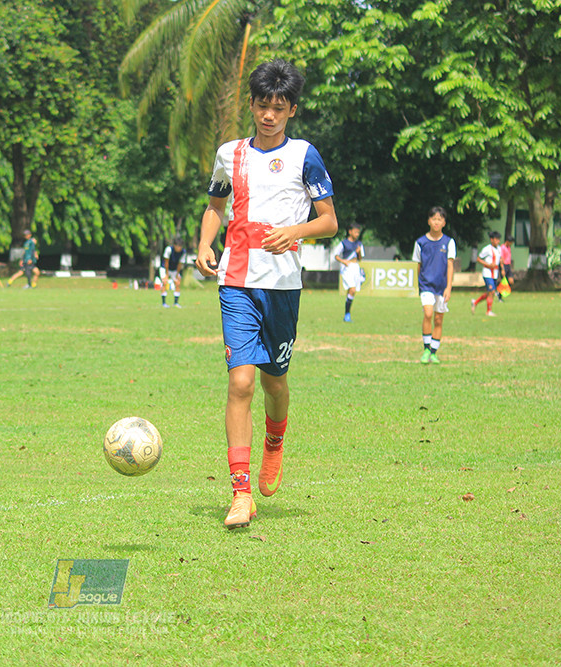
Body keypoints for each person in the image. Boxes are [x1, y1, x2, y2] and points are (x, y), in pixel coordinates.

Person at [194, 59, 338, 530]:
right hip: (235, 280)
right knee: (240, 382)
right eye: (261, 105)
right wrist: (204, 243)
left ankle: (274, 442)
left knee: (275, 382)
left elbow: (329, 221)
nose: (268, 115)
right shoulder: (229, 153)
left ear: (291, 109)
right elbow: (216, 205)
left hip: (282, 287)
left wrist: (292, 231)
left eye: (278, 107)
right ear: (252, 105)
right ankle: (240, 492)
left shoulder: (304, 156)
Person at [412, 206, 456, 364]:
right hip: (426, 286)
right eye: (434, 219)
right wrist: (420, 284)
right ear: (429, 221)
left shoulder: (449, 242)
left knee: (438, 319)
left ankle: (434, 352)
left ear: (444, 222)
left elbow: (450, 266)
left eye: (440, 219)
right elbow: (418, 265)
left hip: (441, 287)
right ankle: (426, 349)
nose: (436, 222)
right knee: (428, 313)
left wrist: (448, 287)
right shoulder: (420, 242)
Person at [334, 223, 364, 322]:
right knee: (352, 289)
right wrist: (344, 261)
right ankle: (347, 314)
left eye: (358, 232)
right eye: (355, 232)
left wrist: (359, 252)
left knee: (352, 291)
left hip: (356, 267)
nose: (357, 234)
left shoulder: (359, 244)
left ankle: (347, 314)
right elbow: (336, 255)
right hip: (347, 268)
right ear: (350, 231)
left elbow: (360, 259)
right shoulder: (344, 243)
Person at [471, 231, 501, 317]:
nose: (498, 241)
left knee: (490, 293)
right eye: (496, 239)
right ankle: (488, 311)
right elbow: (478, 259)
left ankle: (475, 302)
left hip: (495, 273)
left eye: (499, 239)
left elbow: (499, 260)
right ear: (492, 240)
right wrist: (488, 265)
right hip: (487, 273)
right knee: (491, 291)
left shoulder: (499, 249)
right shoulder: (487, 249)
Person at [160, 237, 186, 308]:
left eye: (180, 246)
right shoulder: (169, 249)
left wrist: (177, 274)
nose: (179, 248)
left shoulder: (183, 252)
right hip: (165, 268)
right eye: (177, 246)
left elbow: (180, 264)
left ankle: (176, 303)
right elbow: (166, 262)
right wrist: (167, 274)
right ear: (174, 245)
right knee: (164, 282)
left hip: (174, 269)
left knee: (177, 283)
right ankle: (164, 303)